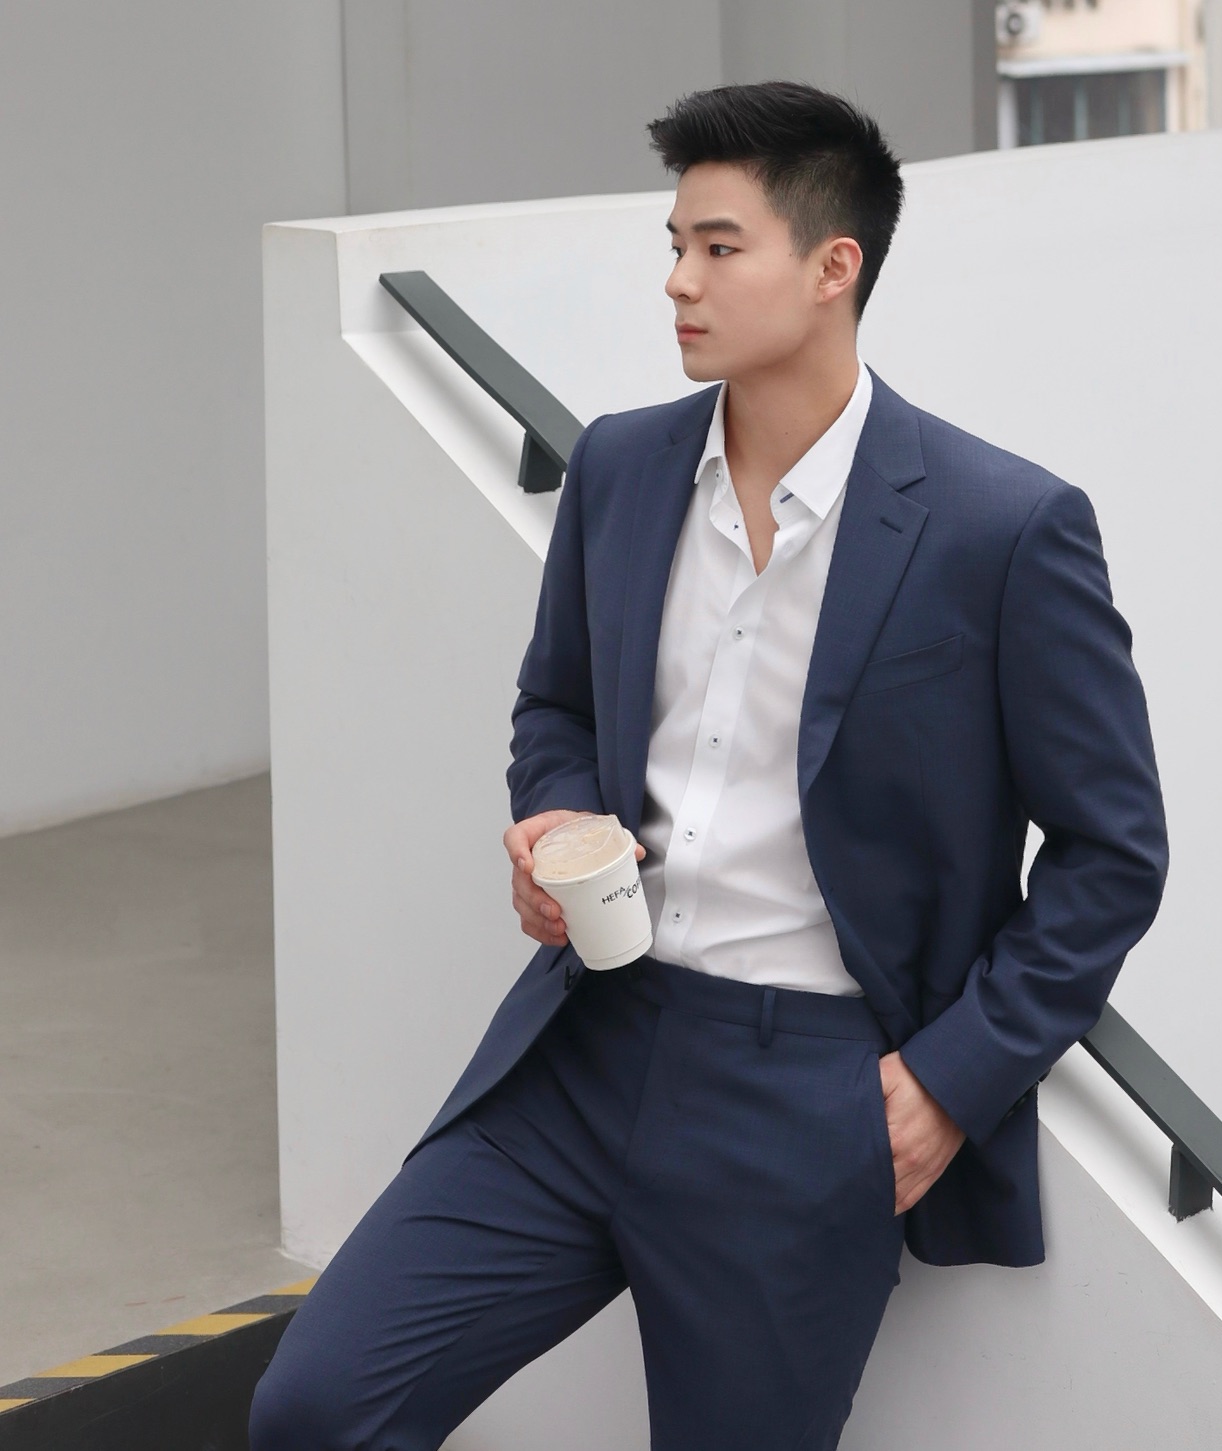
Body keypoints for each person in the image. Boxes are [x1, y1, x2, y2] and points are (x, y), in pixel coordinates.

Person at [249, 80, 1167, 1451]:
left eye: (719, 247)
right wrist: (557, 822)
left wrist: (948, 1082)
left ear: (832, 266)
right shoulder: (621, 468)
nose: (678, 281)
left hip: (802, 1096)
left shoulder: (1001, 526)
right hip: (581, 1046)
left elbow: (1113, 851)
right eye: (675, 245)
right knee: (317, 1408)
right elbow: (556, 702)